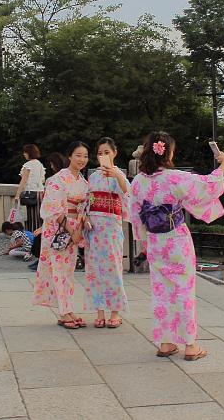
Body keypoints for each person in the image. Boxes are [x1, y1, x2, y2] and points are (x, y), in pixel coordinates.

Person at [130, 131, 224, 361]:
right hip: (177, 241)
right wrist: (222, 165)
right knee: (183, 291)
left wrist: (144, 241)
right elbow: (207, 185)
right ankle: (191, 346)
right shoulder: (174, 178)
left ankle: (165, 343)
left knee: (161, 292)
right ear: (169, 152)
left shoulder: (138, 182)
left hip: (155, 241)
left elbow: (136, 216)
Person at [33, 141, 90, 329]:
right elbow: (53, 208)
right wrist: (70, 229)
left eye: (85, 156)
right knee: (57, 270)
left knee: (68, 271)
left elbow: (83, 208)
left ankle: (68, 309)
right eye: (78, 155)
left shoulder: (83, 182)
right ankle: (64, 312)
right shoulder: (58, 179)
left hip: (74, 228)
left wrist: (79, 229)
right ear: (70, 157)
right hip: (58, 230)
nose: (82, 159)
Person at [84, 137, 129, 329]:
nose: (103, 156)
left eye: (107, 152)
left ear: (115, 153)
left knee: (113, 269)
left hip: (111, 227)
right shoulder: (93, 177)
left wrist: (117, 176)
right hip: (94, 227)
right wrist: (84, 217)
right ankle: (100, 311)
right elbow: (86, 200)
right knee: (95, 270)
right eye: (100, 153)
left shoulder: (119, 174)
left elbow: (127, 193)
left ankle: (115, 312)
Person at [14, 144, 45, 232]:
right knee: (39, 218)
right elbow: (43, 180)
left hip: (30, 195)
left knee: (30, 218)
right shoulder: (40, 164)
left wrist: (17, 195)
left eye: (25, 152)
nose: (24, 154)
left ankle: (31, 238)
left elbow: (23, 181)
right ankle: (39, 239)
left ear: (29, 153)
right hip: (40, 193)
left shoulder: (28, 165)